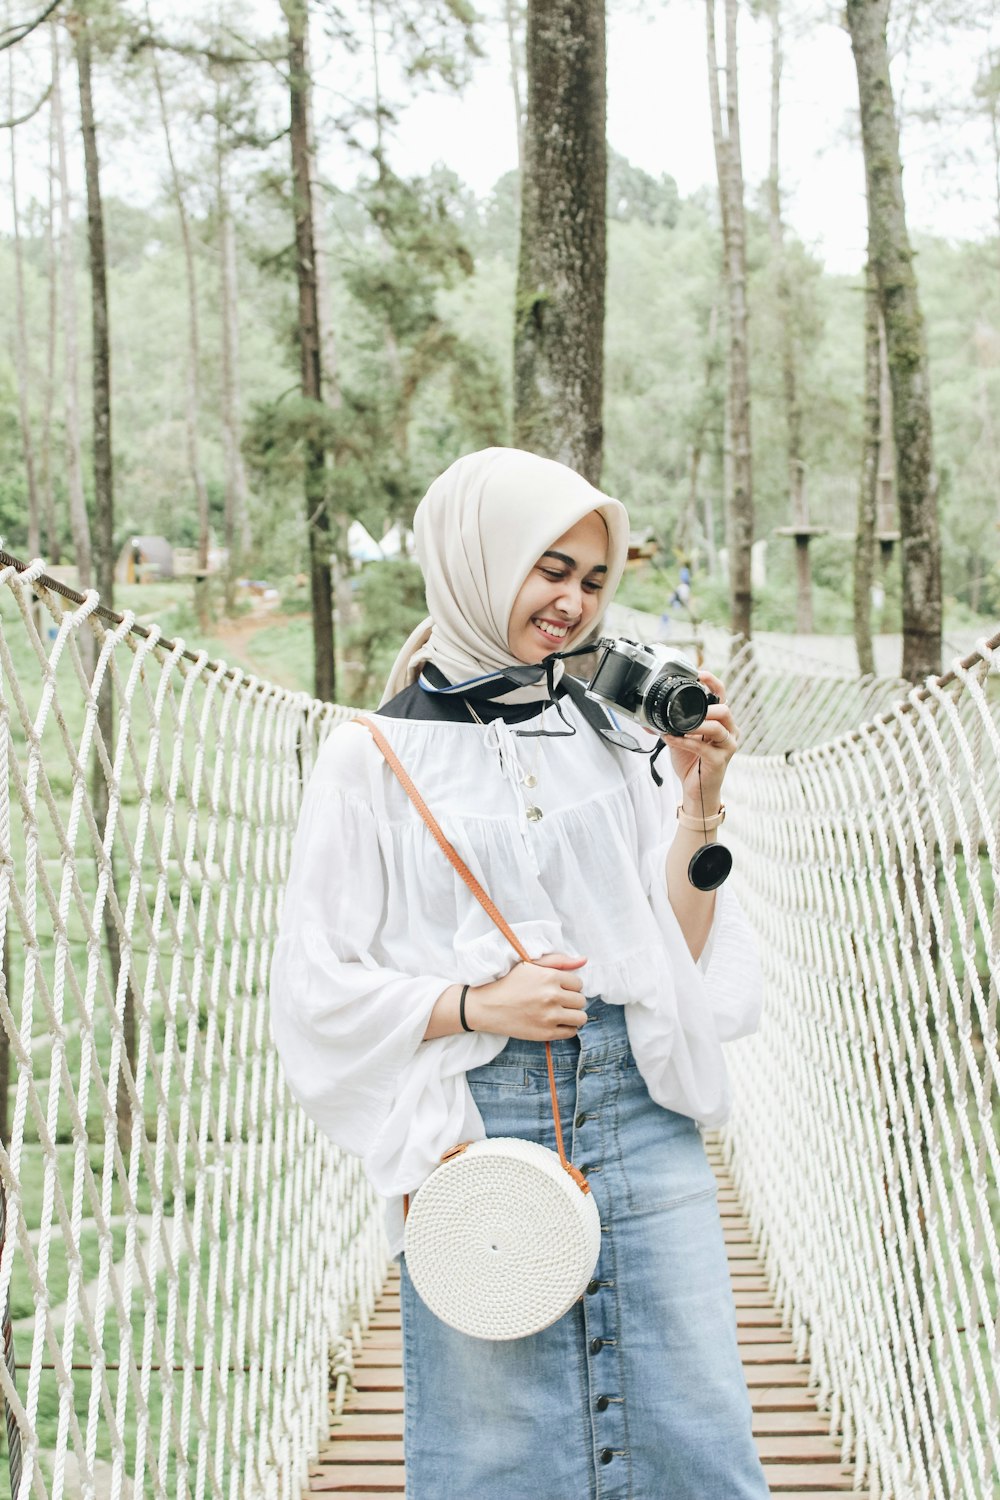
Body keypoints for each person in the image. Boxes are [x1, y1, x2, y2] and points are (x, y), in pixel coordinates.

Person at [269, 447, 769, 1500]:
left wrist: (700, 803)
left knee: (697, 1433)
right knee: (498, 1454)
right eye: (549, 569)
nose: (572, 603)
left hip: (639, 1107)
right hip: (476, 1124)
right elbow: (313, 986)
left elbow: (673, 956)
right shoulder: (368, 757)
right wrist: (467, 1003)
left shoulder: (605, 733)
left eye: (593, 580)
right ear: (475, 560)